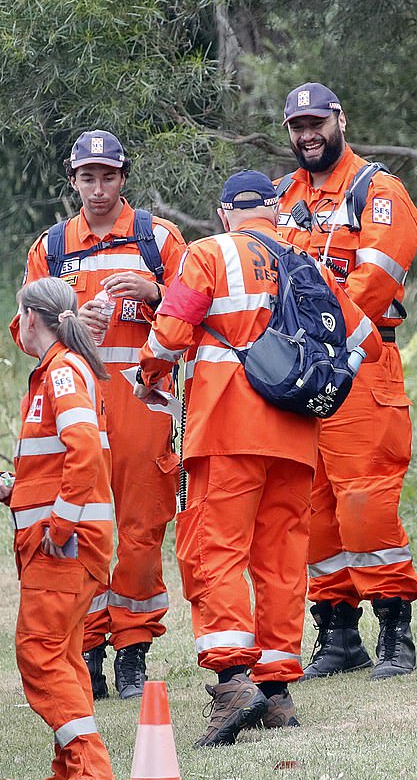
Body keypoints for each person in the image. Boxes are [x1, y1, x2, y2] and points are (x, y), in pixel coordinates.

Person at [134, 170, 382, 747]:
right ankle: (276, 694)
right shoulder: (310, 262)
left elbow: (170, 335)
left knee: (213, 550)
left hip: (225, 428)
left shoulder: (206, 254)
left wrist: (150, 375)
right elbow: (365, 341)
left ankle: (231, 681)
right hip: (297, 435)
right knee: (281, 560)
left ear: (225, 214)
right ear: (274, 210)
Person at [11, 130, 187, 700]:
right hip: (76, 407)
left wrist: (156, 291)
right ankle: (85, 650)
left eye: (108, 176)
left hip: (142, 406)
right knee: (82, 523)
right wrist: (71, 326)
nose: (99, 188)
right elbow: (25, 330)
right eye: (87, 177)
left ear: (123, 177)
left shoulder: (158, 239)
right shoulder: (53, 247)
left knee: (139, 528)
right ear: (73, 181)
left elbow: (196, 313)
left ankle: (133, 650)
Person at [276, 82, 417, 680]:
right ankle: (337, 632)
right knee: (312, 506)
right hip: (302, 371)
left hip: (360, 363)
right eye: (297, 125)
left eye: (317, 122)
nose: (308, 134)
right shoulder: (287, 196)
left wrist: (316, 326)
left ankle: (394, 627)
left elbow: (377, 280)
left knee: (364, 499)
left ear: (340, 119)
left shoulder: (378, 192)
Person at [0, 277, 118, 780]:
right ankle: (69, 772)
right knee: (61, 654)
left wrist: (59, 525)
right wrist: (14, 489)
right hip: (67, 542)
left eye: (19, 316)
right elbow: (62, 462)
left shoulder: (61, 373)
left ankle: (91, 772)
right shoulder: (58, 373)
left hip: (63, 544)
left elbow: (84, 453)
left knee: (38, 651)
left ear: (30, 318)